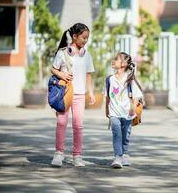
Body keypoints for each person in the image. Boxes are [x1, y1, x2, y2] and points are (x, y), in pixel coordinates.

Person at [51, 23, 95, 167]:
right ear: (74, 36)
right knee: (61, 123)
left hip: (80, 95)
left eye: (87, 38)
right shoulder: (62, 53)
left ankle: (77, 156)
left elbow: (88, 75)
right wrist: (62, 74)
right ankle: (58, 154)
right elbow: (53, 69)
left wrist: (91, 92)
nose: (85, 40)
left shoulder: (87, 55)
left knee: (78, 125)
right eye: (83, 37)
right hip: (64, 94)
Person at [105, 52, 143, 168]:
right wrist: (106, 110)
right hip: (114, 112)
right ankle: (118, 156)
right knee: (117, 133)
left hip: (127, 113)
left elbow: (136, 96)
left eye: (116, 59)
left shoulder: (129, 79)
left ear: (124, 64)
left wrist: (133, 107)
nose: (113, 61)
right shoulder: (109, 80)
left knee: (126, 135)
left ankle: (125, 154)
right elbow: (107, 96)